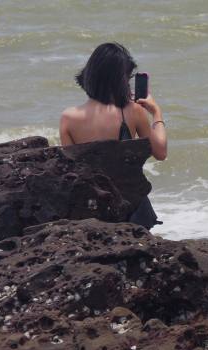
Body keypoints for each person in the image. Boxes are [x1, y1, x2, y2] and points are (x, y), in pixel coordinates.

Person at [60, 42, 167, 229]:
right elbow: (160, 152)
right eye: (127, 77)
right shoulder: (132, 111)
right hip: (132, 207)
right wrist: (157, 113)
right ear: (119, 80)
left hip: (92, 208)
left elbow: (73, 172)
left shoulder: (68, 118)